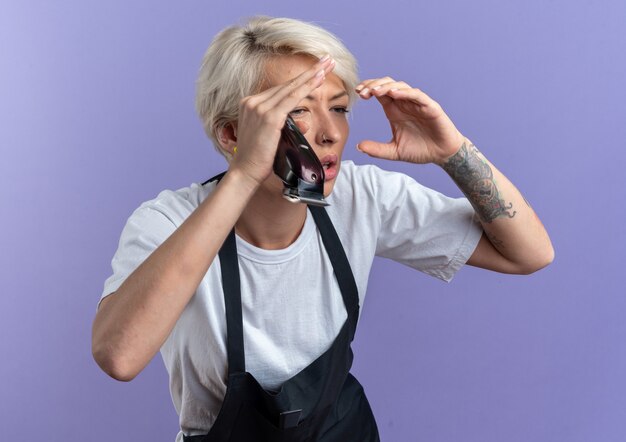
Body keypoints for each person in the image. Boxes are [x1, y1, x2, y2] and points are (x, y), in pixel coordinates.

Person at [92, 16, 554, 442]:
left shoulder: (361, 196)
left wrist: (452, 151)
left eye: (339, 108)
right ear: (232, 134)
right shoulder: (167, 220)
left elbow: (529, 253)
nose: (330, 133)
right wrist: (244, 175)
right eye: (297, 111)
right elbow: (120, 356)